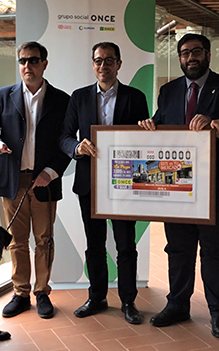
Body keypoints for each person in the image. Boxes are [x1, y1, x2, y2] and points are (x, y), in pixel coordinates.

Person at [139, 33, 219, 338]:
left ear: (208, 55)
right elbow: (164, 127)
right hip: (177, 188)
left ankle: (218, 312)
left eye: (196, 52)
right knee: (178, 248)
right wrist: (150, 126)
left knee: (216, 251)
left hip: (218, 188)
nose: (190, 58)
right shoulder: (169, 91)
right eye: (185, 53)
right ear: (180, 58)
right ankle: (177, 305)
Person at [59, 42, 149, 324]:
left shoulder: (136, 97)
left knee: (125, 245)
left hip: (125, 185)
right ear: (93, 64)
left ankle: (128, 301)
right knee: (94, 245)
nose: (103, 66)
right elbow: (63, 138)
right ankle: (97, 297)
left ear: (119, 64)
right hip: (89, 183)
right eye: (98, 61)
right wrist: (77, 147)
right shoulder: (79, 98)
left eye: (109, 60)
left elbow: (144, 142)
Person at [0, 41, 71, 319]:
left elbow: (65, 143)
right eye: (22, 61)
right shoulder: (3, 95)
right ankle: (21, 293)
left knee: (44, 239)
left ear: (44, 63)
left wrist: (51, 172)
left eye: (33, 60)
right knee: (17, 241)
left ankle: (42, 293)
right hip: (12, 180)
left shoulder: (61, 99)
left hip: (44, 180)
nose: (27, 66)